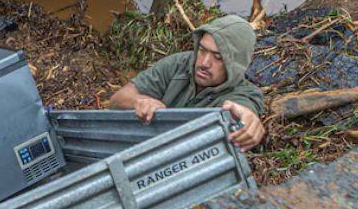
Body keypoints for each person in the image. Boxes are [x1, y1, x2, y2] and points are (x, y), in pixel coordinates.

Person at [108, 14, 266, 150]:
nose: (204, 63)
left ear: (235, 65)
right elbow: (117, 99)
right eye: (202, 50)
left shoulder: (245, 93)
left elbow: (246, 111)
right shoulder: (179, 63)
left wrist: (249, 121)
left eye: (217, 57)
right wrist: (140, 102)